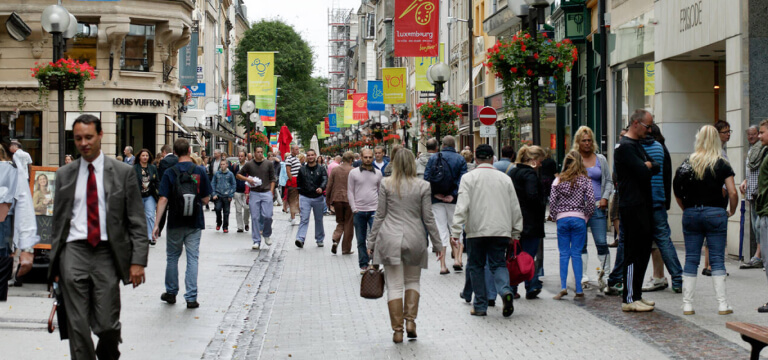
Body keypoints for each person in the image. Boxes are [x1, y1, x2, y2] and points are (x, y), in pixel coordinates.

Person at [49, 114, 148, 358]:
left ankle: (109, 349)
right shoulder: (64, 174)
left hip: (107, 252)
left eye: (89, 137)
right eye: (78, 138)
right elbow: (58, 223)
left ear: (101, 135)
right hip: (74, 251)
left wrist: (138, 261)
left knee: (107, 324)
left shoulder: (123, 173)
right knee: (77, 325)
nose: (84, 143)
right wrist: (55, 264)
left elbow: (136, 220)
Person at [366, 149, 444, 343]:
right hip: (415, 238)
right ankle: (410, 321)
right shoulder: (423, 186)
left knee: (394, 286)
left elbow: (380, 214)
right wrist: (438, 244)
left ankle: (398, 331)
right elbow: (428, 218)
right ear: (412, 164)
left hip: (390, 238)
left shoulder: (386, 184)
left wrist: (371, 241)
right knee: (412, 281)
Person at [673, 125, 738, 316]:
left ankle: (687, 304)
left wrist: (687, 209)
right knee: (717, 259)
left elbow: (677, 190)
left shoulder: (687, 163)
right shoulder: (721, 163)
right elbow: (732, 191)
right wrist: (731, 210)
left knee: (691, 258)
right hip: (716, 213)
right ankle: (722, 304)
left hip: (692, 213)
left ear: (698, 140)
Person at [451, 144, 522, 317]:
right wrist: (515, 232)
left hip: (476, 230)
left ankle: (480, 305)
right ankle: (505, 291)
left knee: (476, 266)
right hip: (500, 230)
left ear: (475, 159)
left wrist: (455, 232)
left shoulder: (468, 178)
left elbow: (462, 207)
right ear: (492, 158)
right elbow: (515, 207)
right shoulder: (505, 179)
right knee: (498, 264)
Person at [153, 138, 211, 309]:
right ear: (189, 150)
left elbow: (163, 199)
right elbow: (207, 198)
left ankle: (171, 292)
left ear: (175, 153)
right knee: (193, 258)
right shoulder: (199, 171)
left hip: (175, 220)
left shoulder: (170, 172)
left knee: (172, 257)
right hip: (195, 220)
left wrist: (156, 224)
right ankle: (191, 297)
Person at [613, 109, 660, 312]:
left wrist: (648, 165)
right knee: (633, 252)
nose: (649, 130)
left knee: (642, 251)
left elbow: (656, 166)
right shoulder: (625, 148)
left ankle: (637, 293)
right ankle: (629, 298)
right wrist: (646, 166)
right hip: (632, 206)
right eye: (647, 126)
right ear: (635, 124)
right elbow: (642, 171)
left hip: (643, 204)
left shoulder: (638, 146)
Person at [640, 124, 684, 293]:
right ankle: (677, 278)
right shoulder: (661, 148)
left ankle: (621, 278)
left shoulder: (635, 147)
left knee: (633, 241)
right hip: (658, 199)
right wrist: (666, 202)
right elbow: (667, 176)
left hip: (642, 201)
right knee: (664, 239)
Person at [549, 151, 595, 301]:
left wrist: (556, 216)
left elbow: (552, 202)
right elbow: (592, 202)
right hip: (579, 218)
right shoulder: (585, 180)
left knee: (563, 253)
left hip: (563, 219)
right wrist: (586, 216)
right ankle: (579, 289)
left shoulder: (558, 180)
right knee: (576, 253)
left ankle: (563, 287)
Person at [572, 126, 613, 291]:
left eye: (589, 140)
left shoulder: (601, 159)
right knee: (580, 244)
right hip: (578, 208)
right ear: (578, 142)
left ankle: (606, 276)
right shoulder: (573, 159)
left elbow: (609, 181)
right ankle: (582, 276)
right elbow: (564, 180)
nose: (587, 143)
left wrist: (605, 197)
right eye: (584, 140)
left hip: (597, 206)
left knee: (602, 242)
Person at [507, 145, 547, 299]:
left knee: (514, 254)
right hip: (530, 221)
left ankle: (512, 286)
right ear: (533, 160)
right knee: (529, 255)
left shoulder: (513, 172)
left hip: (513, 220)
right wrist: (540, 206)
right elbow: (532, 196)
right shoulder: (530, 175)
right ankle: (532, 284)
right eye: (540, 161)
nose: (541, 164)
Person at [424, 135, 467, 274]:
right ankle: (458, 259)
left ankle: (442, 266)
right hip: (454, 201)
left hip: (437, 200)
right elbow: (463, 180)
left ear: (442, 145)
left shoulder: (433, 158)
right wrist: (453, 195)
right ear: (454, 145)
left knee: (441, 231)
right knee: (456, 228)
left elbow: (426, 178)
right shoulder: (460, 159)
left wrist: (435, 194)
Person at [348, 148, 382, 274]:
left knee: (376, 238)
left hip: (374, 210)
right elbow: (350, 191)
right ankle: (364, 264)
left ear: (373, 158)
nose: (368, 159)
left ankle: (375, 263)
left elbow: (380, 192)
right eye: (365, 157)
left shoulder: (378, 173)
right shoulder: (354, 173)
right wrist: (354, 208)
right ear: (361, 158)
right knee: (361, 239)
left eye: (370, 157)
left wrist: (380, 208)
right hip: (359, 211)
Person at [236, 145, 276, 250]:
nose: (260, 154)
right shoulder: (249, 164)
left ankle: (266, 234)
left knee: (267, 215)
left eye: (261, 152)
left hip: (266, 192)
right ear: (254, 153)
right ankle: (256, 240)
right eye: (258, 152)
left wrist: (271, 192)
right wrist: (247, 179)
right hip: (254, 193)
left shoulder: (268, 164)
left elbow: (273, 179)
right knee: (255, 217)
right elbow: (238, 175)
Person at [743, 125, 766, 269]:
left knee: (760, 225)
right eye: (749, 135)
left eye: (756, 134)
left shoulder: (763, 149)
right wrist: (745, 181)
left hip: (761, 194)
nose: (752, 137)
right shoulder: (752, 150)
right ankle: (760, 255)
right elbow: (750, 171)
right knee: (756, 226)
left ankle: (760, 255)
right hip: (751, 192)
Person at [295, 149, 327, 248]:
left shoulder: (321, 169)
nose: (310, 157)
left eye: (312, 155)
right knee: (304, 218)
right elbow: (298, 183)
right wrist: (301, 193)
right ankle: (300, 238)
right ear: (306, 157)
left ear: (315, 156)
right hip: (305, 197)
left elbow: (325, 179)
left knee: (318, 219)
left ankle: (319, 239)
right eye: (308, 155)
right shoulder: (302, 169)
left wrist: (321, 188)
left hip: (318, 198)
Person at [326, 151, 355, 255]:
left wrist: (328, 200)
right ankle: (346, 249)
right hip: (349, 200)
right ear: (351, 160)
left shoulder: (335, 170)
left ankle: (335, 238)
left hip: (337, 199)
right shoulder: (353, 171)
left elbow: (329, 186)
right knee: (348, 224)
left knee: (340, 221)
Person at [134, 149, 159, 246]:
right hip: (138, 195)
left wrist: (158, 191)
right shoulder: (135, 168)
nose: (145, 157)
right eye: (143, 155)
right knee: (139, 217)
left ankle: (151, 236)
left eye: (147, 156)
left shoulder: (152, 168)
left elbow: (157, 180)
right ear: (139, 157)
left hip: (150, 195)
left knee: (150, 215)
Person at [212, 160, 236, 233]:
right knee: (218, 209)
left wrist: (231, 194)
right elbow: (213, 183)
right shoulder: (217, 174)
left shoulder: (230, 174)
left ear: (227, 165)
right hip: (218, 195)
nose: (222, 166)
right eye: (221, 164)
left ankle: (225, 226)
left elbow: (233, 185)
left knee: (226, 212)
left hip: (226, 195)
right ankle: (219, 222)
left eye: (224, 164)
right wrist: (214, 194)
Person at [231, 151, 251, 233]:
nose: (240, 157)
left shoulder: (248, 166)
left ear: (245, 157)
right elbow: (232, 178)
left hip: (246, 191)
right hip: (237, 190)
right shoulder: (235, 166)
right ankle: (240, 227)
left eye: (242, 156)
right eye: (239, 156)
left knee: (247, 208)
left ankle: (246, 222)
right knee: (238, 210)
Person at [285, 145, 302, 225]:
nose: (298, 150)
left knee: (296, 199)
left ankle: (292, 216)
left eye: (298, 149)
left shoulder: (296, 158)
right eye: (296, 149)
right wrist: (292, 180)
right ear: (292, 150)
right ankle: (293, 218)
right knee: (293, 200)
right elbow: (288, 171)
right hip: (293, 181)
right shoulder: (289, 158)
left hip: (297, 180)